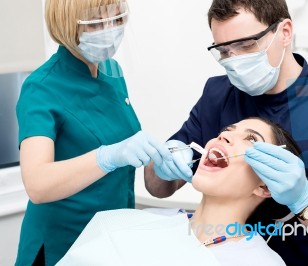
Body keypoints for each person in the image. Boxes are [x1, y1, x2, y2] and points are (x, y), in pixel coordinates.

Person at [144, 0, 308, 265]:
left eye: (246, 45)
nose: (234, 60)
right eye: (223, 50)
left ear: (285, 32)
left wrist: (306, 201)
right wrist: (160, 167)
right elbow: (157, 186)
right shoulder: (217, 95)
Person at [15, 0, 182, 265]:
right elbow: (37, 184)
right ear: (66, 23)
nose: (110, 30)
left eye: (117, 20)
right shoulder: (41, 88)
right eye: (96, 23)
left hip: (111, 236)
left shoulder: (112, 71)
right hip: (63, 245)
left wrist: (162, 161)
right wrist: (108, 157)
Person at [57, 117, 292, 266]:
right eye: (227, 130)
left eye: (251, 139)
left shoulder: (261, 261)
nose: (225, 135)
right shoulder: (125, 224)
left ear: (264, 186)